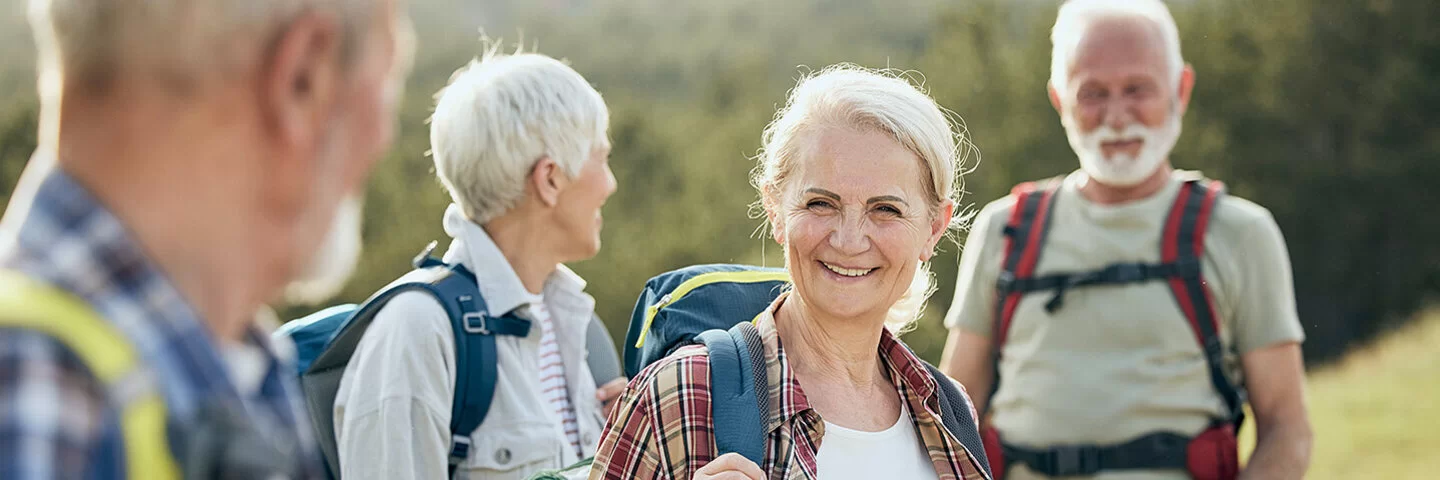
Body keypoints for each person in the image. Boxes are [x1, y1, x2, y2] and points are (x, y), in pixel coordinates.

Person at [0, 0, 415, 478]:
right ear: (304, 77)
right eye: (387, 86)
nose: (383, 137)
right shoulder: (40, 393)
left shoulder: (239, 370)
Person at [938, 1, 1313, 479]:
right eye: (1092, 93)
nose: (1116, 117)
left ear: (1181, 89)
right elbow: (953, 418)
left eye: (1138, 89)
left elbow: (1287, 430)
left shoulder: (1240, 234)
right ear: (1059, 100)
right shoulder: (1004, 231)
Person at [588, 64, 989, 480]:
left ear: (934, 228)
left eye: (885, 209)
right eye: (821, 203)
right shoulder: (677, 397)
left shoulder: (951, 412)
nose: (849, 240)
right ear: (776, 210)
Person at [331, 46, 626, 480]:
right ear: (549, 179)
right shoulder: (416, 335)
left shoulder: (573, 323)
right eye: (601, 159)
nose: (610, 183)